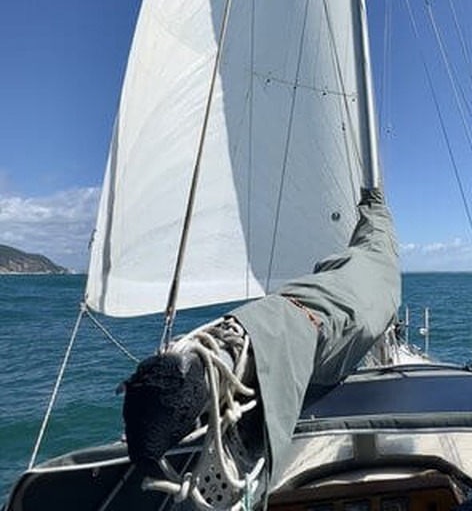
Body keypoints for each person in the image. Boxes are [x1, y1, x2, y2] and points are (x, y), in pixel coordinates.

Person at [122, 187, 400, 508]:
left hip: (295, 318)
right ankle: (234, 362)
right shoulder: (371, 271)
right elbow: (375, 262)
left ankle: (232, 362)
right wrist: (373, 202)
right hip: (303, 324)